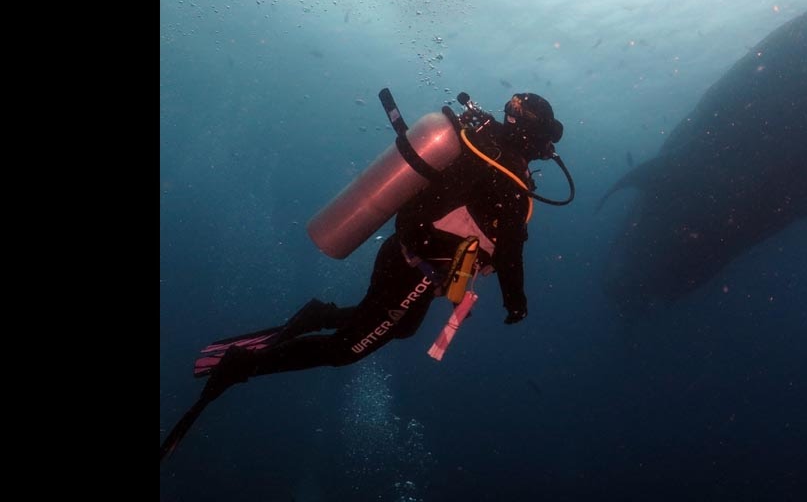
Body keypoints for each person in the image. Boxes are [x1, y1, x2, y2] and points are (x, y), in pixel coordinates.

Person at [161, 92, 566, 461]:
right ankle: (241, 366)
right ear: (532, 136)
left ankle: (317, 316)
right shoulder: (508, 175)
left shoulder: (481, 146)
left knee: (403, 328)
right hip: (416, 271)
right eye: (547, 138)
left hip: (407, 258)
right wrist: (517, 302)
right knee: (347, 350)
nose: (548, 150)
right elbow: (510, 252)